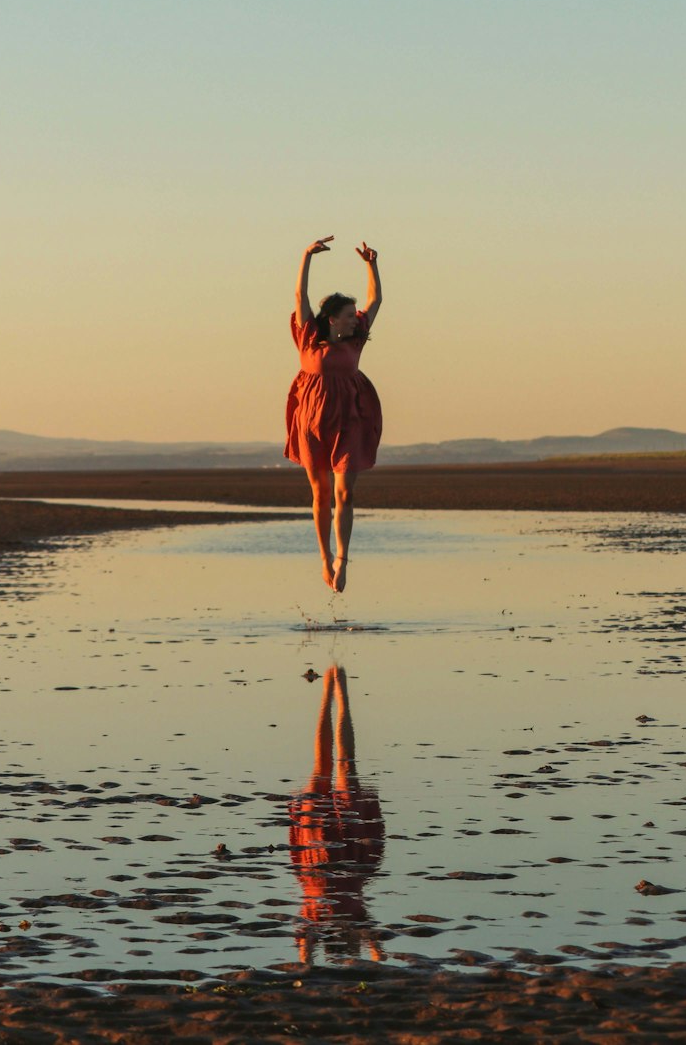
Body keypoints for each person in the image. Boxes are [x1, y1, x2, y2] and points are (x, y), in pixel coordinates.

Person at [285, 236, 382, 593]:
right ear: (332, 319)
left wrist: (372, 265)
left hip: (350, 419)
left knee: (344, 493)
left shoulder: (355, 340)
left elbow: (376, 301)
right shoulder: (309, 336)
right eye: (348, 316)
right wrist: (306, 255)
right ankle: (324, 557)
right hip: (312, 419)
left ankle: (343, 559)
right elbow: (300, 298)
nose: (355, 321)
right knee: (320, 491)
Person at [288, 664, 385, 964]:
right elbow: (379, 954)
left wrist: (310, 960)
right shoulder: (360, 920)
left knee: (323, 766)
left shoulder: (313, 922)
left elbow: (305, 956)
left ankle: (329, 691)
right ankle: (337, 692)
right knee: (342, 766)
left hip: (315, 849)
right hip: (350, 848)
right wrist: (365, 949)